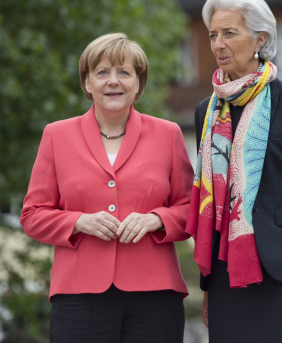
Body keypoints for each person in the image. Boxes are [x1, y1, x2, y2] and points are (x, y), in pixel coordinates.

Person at [186, 0, 282, 342]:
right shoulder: (205, 112)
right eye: (212, 35)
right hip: (226, 274)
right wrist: (208, 286)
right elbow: (213, 201)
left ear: (260, 39)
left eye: (229, 33)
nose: (218, 44)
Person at [21, 33, 193, 343]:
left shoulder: (168, 134)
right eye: (102, 72)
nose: (113, 81)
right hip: (79, 296)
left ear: (138, 84)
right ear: (87, 83)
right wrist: (77, 221)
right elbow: (32, 215)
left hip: (155, 296)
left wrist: (155, 219)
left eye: (124, 73)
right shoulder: (56, 136)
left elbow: (191, 210)